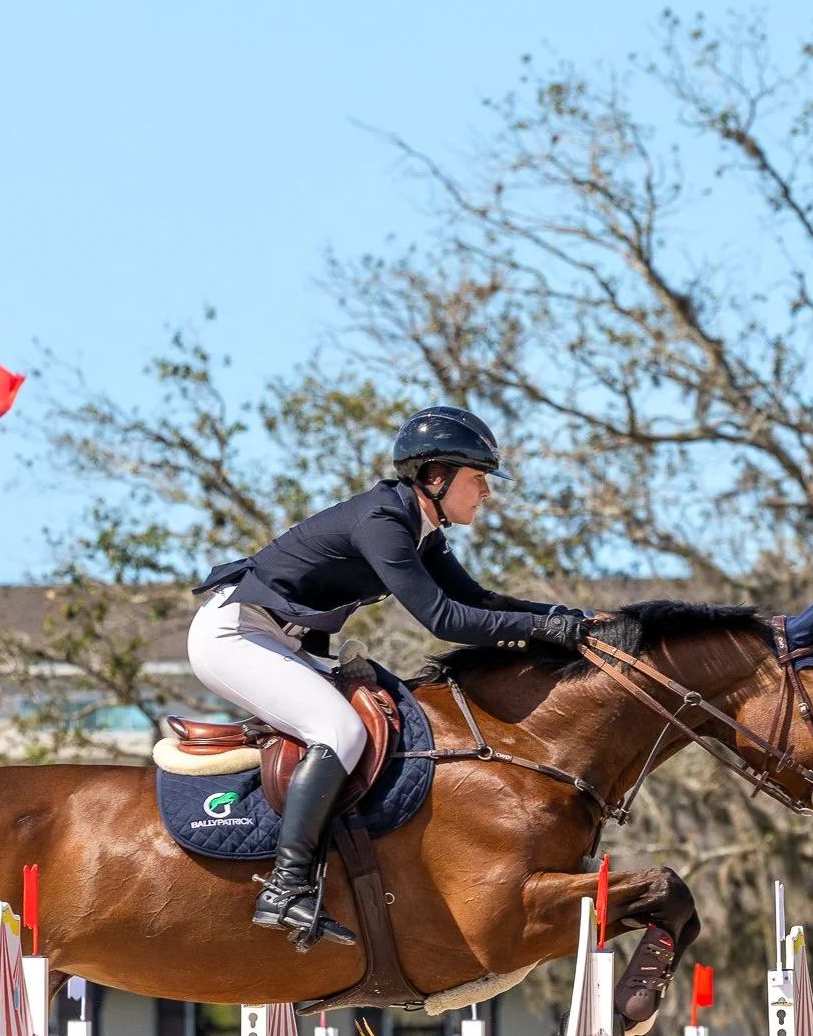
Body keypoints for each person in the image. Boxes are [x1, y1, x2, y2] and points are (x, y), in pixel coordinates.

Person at [190, 406, 593, 949]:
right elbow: (444, 620)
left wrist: (569, 620)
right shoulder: (382, 522)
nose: (486, 492)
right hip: (233, 635)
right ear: (436, 476)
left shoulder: (418, 526)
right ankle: (286, 887)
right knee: (339, 731)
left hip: (277, 637)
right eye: (478, 479)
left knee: (381, 719)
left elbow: (477, 600)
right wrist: (544, 629)